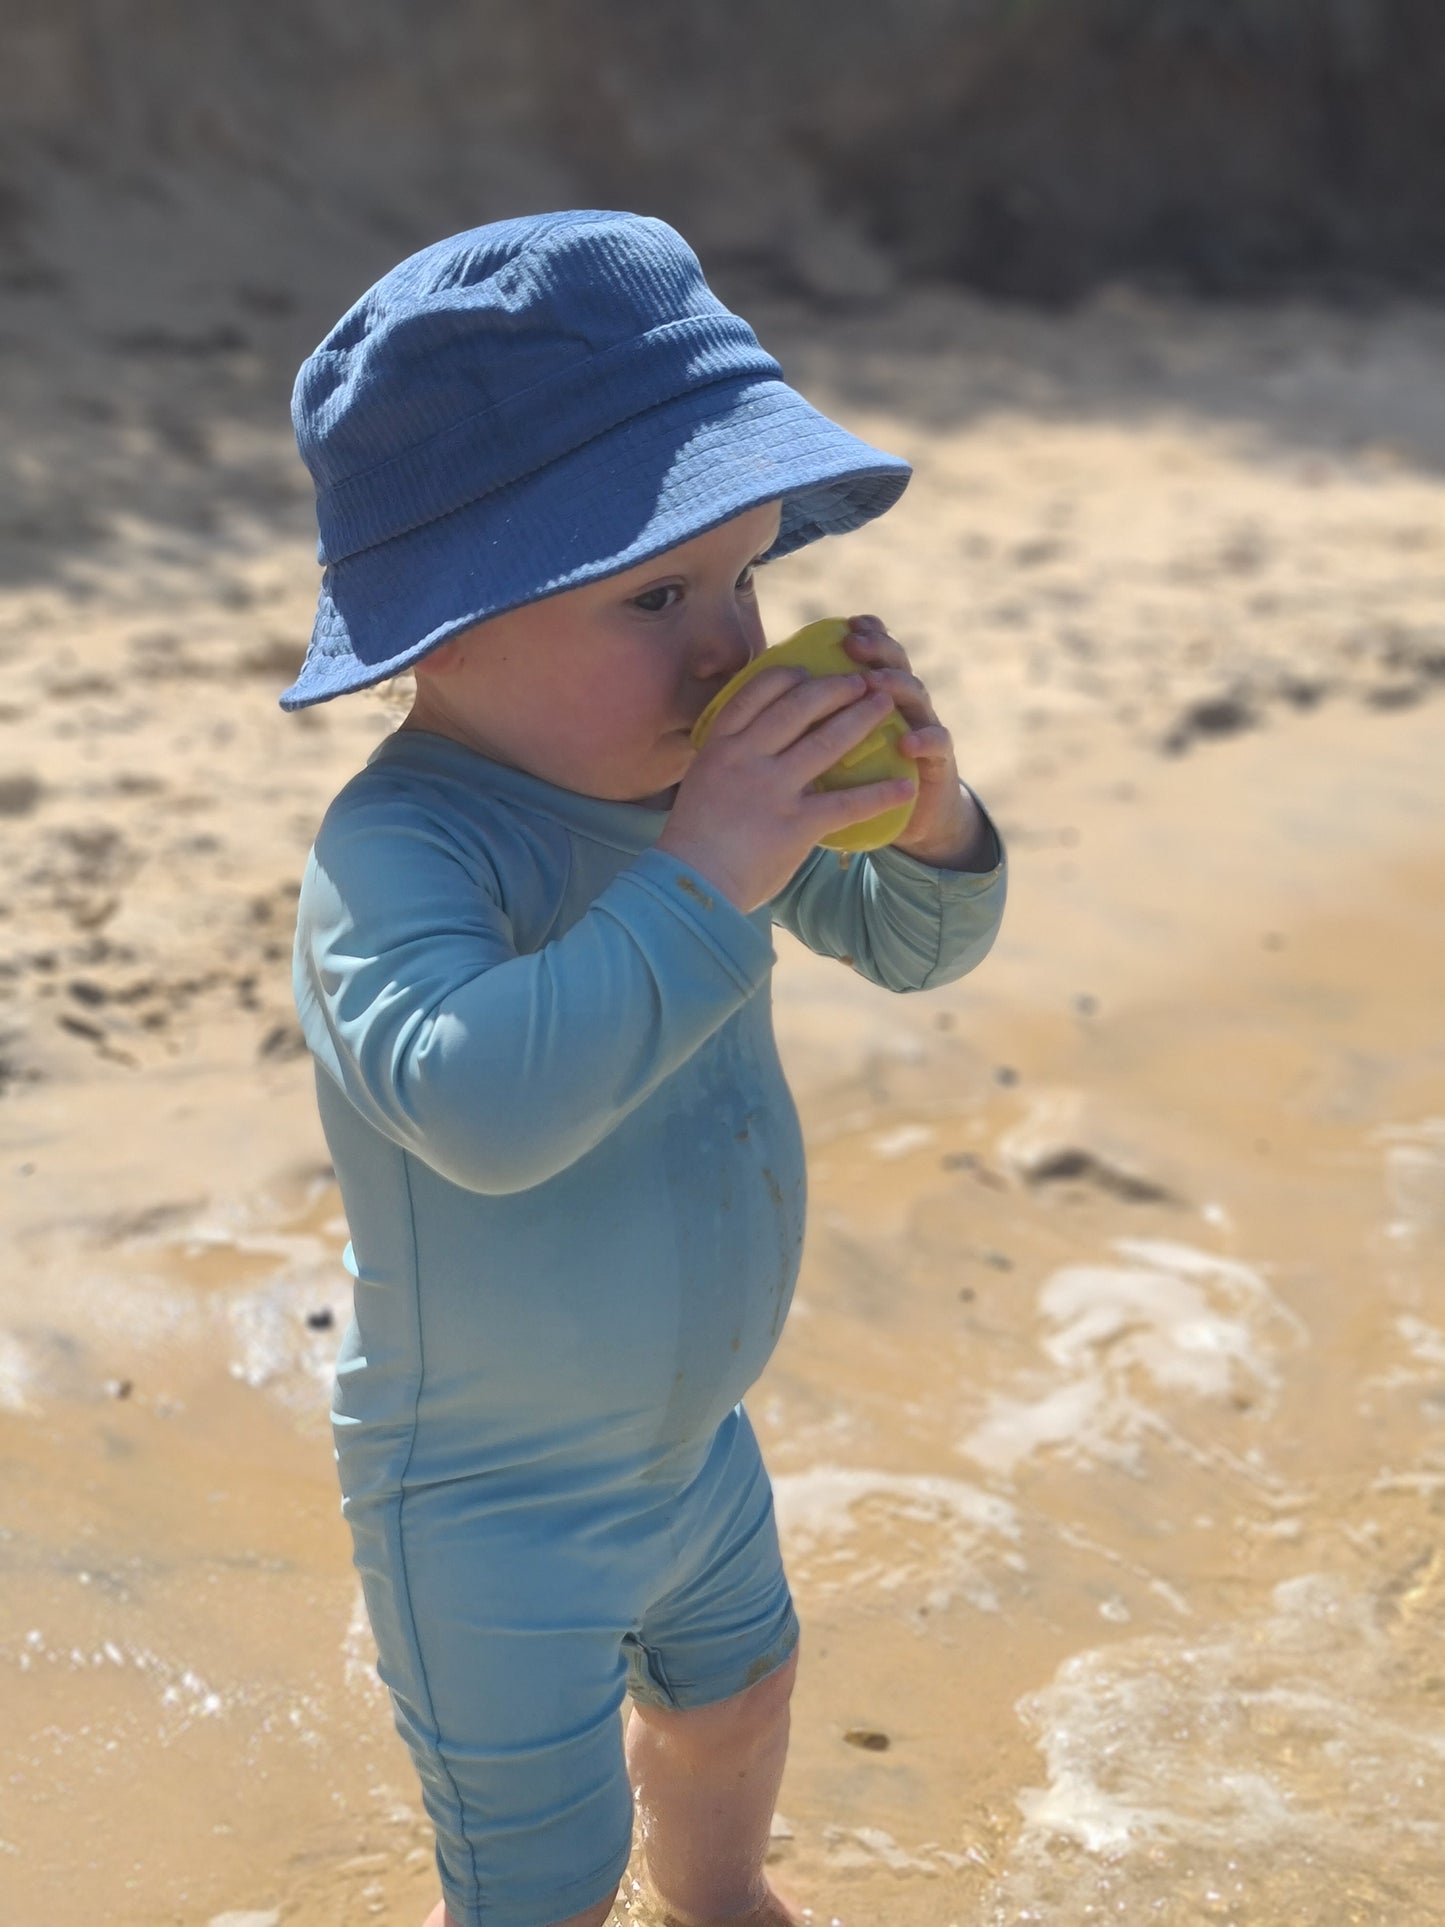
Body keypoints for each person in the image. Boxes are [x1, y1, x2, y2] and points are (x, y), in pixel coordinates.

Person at [284, 210, 1007, 1927]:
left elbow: (920, 949)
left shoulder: (694, 791)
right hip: (485, 1504)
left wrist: (930, 819)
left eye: (747, 574)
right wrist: (706, 871)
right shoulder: (401, 853)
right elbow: (480, 1107)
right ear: (438, 633)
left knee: (736, 1708)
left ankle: (727, 1896)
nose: (727, 643)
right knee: (540, 1878)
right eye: (658, 593)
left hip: (694, 1443)